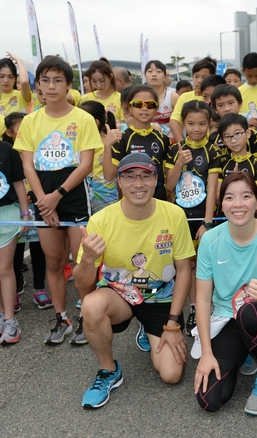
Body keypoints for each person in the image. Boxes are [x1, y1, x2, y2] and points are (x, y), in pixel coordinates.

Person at [75, 153, 195, 408]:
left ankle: (147, 326)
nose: (138, 184)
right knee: (91, 306)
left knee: (172, 375)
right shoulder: (101, 220)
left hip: (159, 296)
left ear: (155, 180)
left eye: (145, 176)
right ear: (119, 181)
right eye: (129, 176)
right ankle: (108, 370)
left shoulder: (174, 214)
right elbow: (83, 286)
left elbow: (184, 270)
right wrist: (88, 260)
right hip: (119, 294)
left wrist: (173, 324)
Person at [14, 56, 100, 344]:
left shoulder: (82, 118)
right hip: (43, 193)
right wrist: (43, 202)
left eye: (58, 80)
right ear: (38, 85)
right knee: (54, 261)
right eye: (45, 81)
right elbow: (28, 166)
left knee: (81, 261)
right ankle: (61, 318)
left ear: (68, 85)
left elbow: (85, 164)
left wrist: (58, 195)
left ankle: (87, 317)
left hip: (72, 193)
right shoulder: (30, 121)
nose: (51, 86)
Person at [193, 171, 257, 415]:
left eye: (246, 196)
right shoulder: (210, 240)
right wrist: (206, 354)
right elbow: (202, 300)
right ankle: (247, 350)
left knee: (250, 311)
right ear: (221, 204)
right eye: (229, 197)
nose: (238, 204)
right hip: (228, 316)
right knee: (210, 400)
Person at [165, 101, 218, 336]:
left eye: (202, 124)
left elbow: (213, 188)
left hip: (203, 217)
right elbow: (169, 186)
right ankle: (193, 308)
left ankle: (208, 308)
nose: (196, 129)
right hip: (180, 218)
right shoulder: (175, 150)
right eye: (191, 123)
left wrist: (207, 222)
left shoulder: (213, 151)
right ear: (183, 124)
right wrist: (179, 162)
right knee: (187, 265)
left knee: (205, 265)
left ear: (209, 124)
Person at [4, 113, 51, 311]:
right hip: (16, 209)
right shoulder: (7, 153)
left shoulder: (40, 151)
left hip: (38, 205)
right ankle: (15, 289)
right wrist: (19, 197)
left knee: (39, 249)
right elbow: (6, 183)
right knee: (15, 252)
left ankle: (40, 288)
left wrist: (34, 195)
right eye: (20, 128)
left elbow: (47, 177)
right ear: (9, 133)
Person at [105, 85, 171, 200]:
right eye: (138, 104)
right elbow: (109, 176)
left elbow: (168, 178)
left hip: (158, 198)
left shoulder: (163, 139)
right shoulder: (122, 138)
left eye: (150, 105)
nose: (144, 108)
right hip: (131, 199)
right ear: (129, 109)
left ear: (156, 109)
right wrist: (107, 146)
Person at [0, 124, 30, 344]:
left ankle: (11, 320)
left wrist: (25, 213)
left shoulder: (6, 149)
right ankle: (0, 315)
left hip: (7, 215)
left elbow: (19, 183)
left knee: (4, 268)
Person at [170, 57, 216, 143]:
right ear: (192, 76)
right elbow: (174, 121)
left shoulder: (216, 97)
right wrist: (182, 143)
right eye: (196, 76)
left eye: (204, 77)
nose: (199, 81)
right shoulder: (184, 97)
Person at [82, 58, 124, 124]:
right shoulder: (85, 99)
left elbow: (124, 126)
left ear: (111, 76)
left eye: (102, 81)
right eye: (94, 81)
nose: (98, 85)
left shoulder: (121, 99)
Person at [145, 60, 179, 139]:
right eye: (150, 71)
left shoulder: (173, 97)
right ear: (145, 75)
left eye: (158, 71)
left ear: (165, 76)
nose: (154, 74)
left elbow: (180, 123)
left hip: (170, 141)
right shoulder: (138, 97)